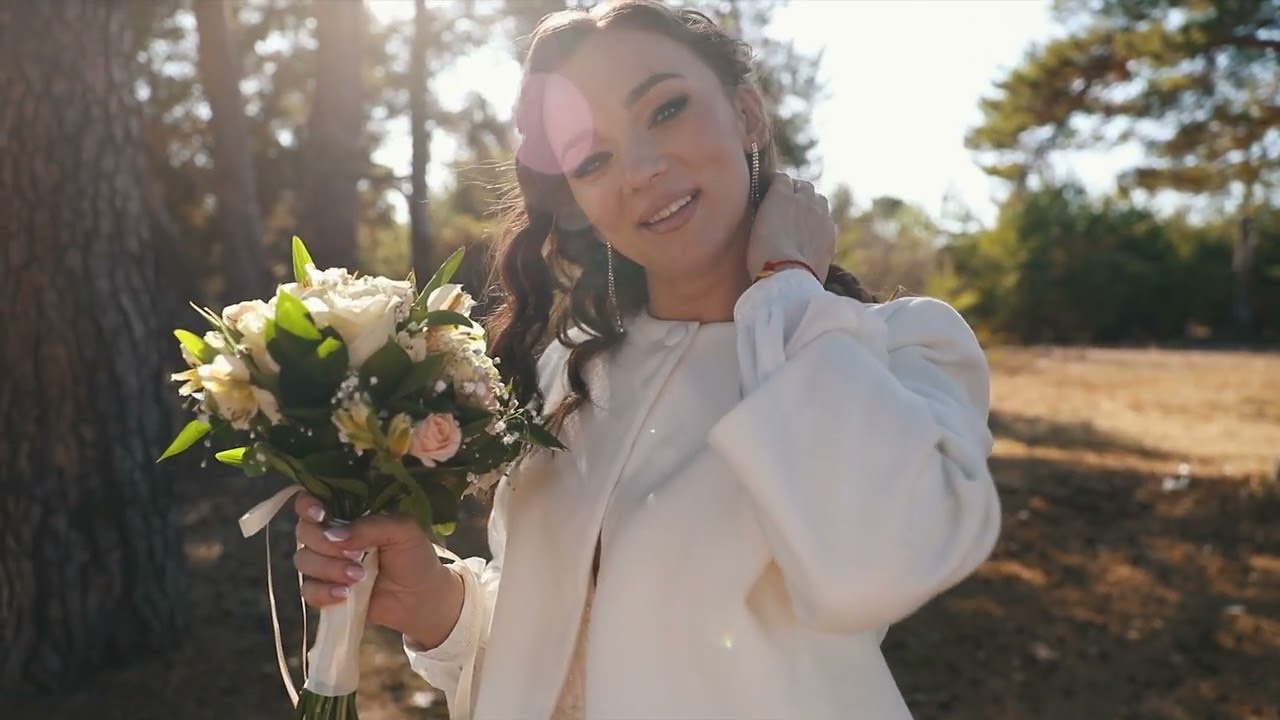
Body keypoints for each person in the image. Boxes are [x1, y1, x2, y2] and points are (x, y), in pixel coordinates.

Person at [292, 1, 1002, 718]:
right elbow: (553, 644)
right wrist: (435, 603)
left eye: (665, 110)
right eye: (593, 159)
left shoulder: (900, 346)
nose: (639, 170)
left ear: (749, 114)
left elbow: (869, 568)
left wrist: (786, 285)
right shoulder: (569, 369)